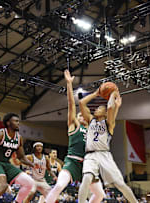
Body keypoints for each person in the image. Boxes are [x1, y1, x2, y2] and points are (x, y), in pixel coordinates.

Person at [45, 70, 104, 203]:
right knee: (59, 186)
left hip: (87, 166)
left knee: (99, 194)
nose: (81, 115)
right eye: (79, 115)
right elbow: (71, 104)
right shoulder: (74, 126)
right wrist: (69, 84)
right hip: (72, 162)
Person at [77, 85, 138, 203]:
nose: (96, 109)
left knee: (120, 184)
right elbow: (81, 103)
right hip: (90, 155)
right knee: (86, 178)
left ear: (105, 113)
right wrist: (95, 94)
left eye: (100, 108)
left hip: (104, 155)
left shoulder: (109, 124)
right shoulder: (90, 120)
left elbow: (110, 107)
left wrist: (113, 93)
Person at [0, 113, 36, 203]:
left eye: (19, 121)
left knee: (30, 183)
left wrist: (33, 164)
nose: (18, 123)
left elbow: (21, 157)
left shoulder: (19, 138)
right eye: (16, 121)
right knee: (3, 186)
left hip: (7, 164)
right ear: (8, 123)